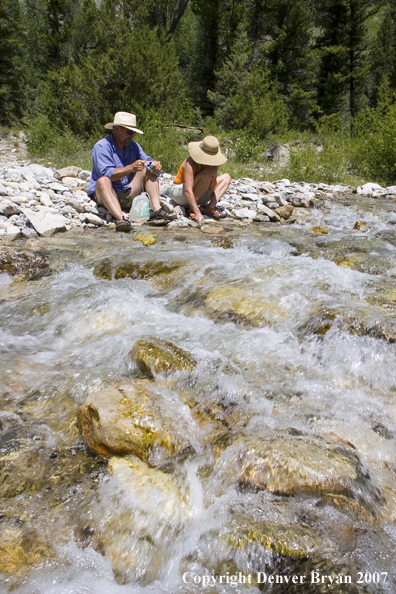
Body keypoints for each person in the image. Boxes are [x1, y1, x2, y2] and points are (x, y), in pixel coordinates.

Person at [87, 111, 175, 232]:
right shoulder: (102, 146)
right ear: (116, 129)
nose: (131, 136)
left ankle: (156, 210)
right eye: (129, 132)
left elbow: (147, 161)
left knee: (147, 167)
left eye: (133, 133)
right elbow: (107, 175)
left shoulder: (134, 146)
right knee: (103, 181)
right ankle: (122, 218)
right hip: (107, 194)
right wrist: (131, 168)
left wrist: (154, 164)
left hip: (128, 192)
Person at [167, 136, 231, 225]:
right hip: (180, 194)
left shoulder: (214, 163)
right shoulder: (190, 162)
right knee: (205, 176)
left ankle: (210, 207)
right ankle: (192, 208)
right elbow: (187, 190)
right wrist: (197, 212)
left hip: (201, 193)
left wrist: (214, 174)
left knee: (226, 177)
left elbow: (211, 188)